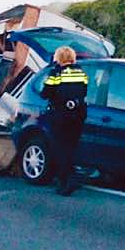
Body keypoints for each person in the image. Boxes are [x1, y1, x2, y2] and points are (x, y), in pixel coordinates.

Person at [40, 46, 88, 196]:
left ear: (59, 58)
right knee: (71, 147)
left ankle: (66, 181)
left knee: (60, 147)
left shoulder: (56, 73)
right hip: (78, 115)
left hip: (60, 115)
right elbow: (84, 90)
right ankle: (72, 177)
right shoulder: (81, 72)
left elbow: (45, 93)